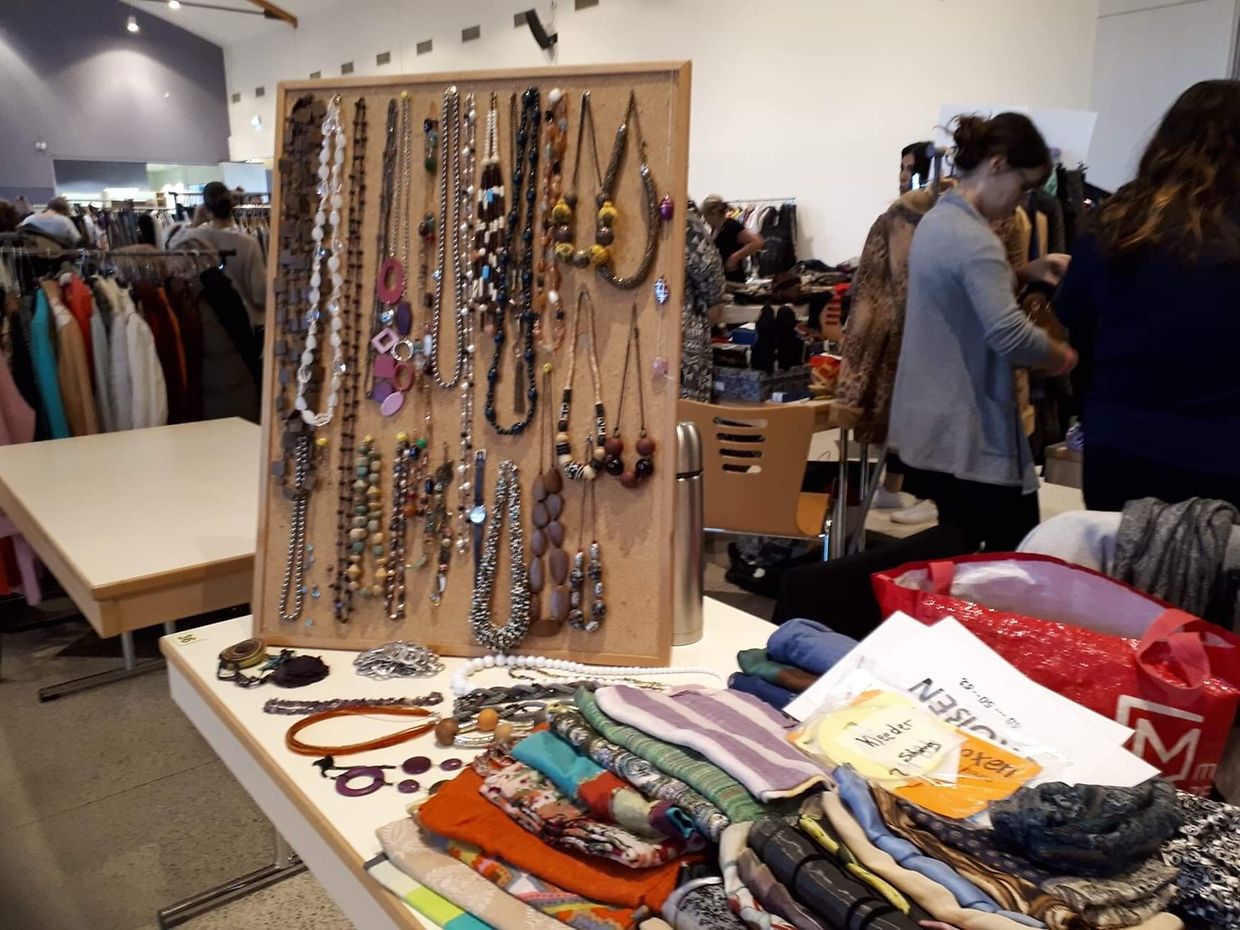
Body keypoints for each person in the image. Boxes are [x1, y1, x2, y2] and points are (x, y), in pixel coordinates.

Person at [888, 113, 1077, 552]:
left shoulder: (937, 220)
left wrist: (1024, 271)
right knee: (1011, 557)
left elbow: (958, 297)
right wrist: (1062, 356)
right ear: (997, 163)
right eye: (1024, 185)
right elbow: (1010, 334)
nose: (1022, 200)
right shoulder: (976, 239)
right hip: (971, 431)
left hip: (933, 423)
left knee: (960, 549)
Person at [1056, 80, 1240, 511]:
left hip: (1121, 442)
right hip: (1224, 450)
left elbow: (1074, 318)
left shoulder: (1116, 221)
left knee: (1122, 554)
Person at [875, 139, 942, 524]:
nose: (903, 175)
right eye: (901, 167)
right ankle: (893, 487)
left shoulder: (936, 217)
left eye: (910, 168)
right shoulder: (898, 214)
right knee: (900, 414)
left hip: (929, 330)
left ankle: (931, 495)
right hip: (901, 327)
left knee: (924, 415)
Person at [168, 181, 267, 329]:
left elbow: (172, 245)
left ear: (206, 209)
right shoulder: (248, 243)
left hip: (212, 325)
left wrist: (194, 222)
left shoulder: (195, 237)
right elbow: (260, 296)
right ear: (232, 207)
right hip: (248, 324)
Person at [681, 201, 727, 401]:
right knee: (687, 410)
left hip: (655, 328)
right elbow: (711, 276)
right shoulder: (686, 225)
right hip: (684, 331)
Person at [700, 195, 765, 283]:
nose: (705, 220)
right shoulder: (715, 229)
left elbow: (757, 242)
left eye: (705, 216)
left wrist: (734, 258)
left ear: (713, 214)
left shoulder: (731, 226)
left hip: (733, 279)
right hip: (721, 279)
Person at [18, 196, 83, 248]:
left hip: (31, 257)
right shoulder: (65, 221)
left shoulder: (29, 219)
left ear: (48, 207)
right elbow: (78, 241)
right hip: (58, 257)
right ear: (63, 211)